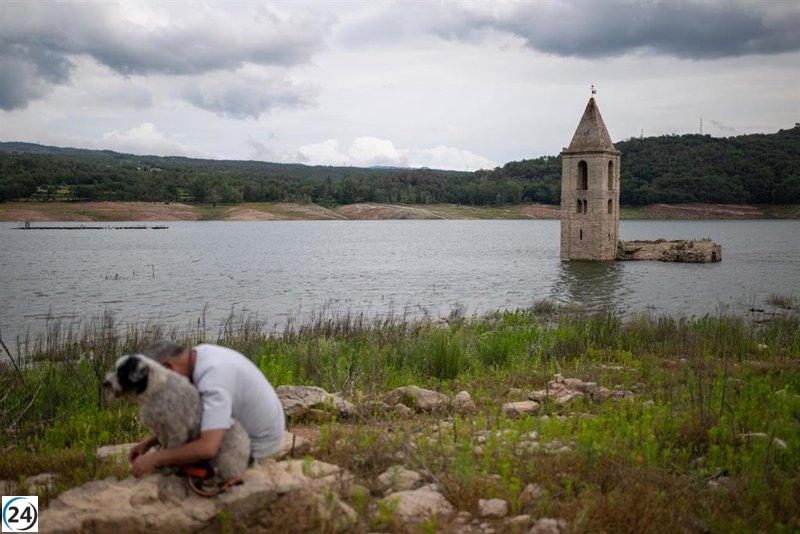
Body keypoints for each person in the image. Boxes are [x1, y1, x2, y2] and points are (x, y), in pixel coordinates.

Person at [128, 340, 285, 477]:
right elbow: (195, 414)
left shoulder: (213, 381)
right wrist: (149, 443)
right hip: (254, 425)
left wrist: (156, 458)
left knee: (175, 465)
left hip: (258, 443)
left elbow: (207, 448)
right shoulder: (199, 355)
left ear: (167, 367)